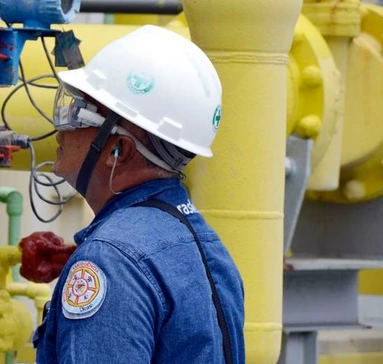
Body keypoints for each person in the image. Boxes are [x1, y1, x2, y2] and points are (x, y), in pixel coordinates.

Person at [30, 25, 245, 363]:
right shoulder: (207, 245)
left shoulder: (110, 260)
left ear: (119, 149)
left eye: (79, 114)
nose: (61, 128)